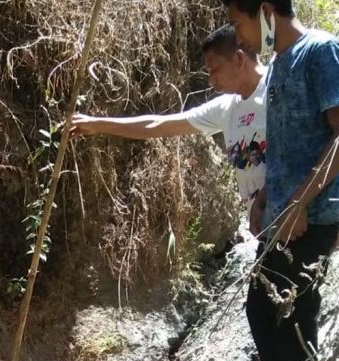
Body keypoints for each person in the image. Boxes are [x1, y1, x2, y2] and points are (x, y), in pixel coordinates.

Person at [222, 0, 339, 361]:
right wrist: (265, 198)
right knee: (262, 308)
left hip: (312, 213)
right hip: (282, 211)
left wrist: (301, 202)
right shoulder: (282, 61)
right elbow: (281, 140)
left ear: (265, 10)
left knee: (295, 313)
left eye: (239, 22)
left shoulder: (322, 51)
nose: (239, 36)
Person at [68, 24, 268, 227]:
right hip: (266, 228)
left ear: (239, 59)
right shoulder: (227, 107)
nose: (211, 80)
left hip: (294, 222)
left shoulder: (278, 88)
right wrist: (96, 124)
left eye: (214, 70)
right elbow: (157, 125)